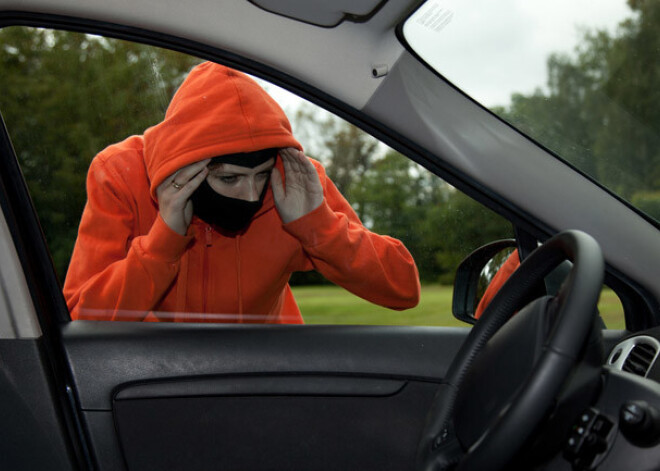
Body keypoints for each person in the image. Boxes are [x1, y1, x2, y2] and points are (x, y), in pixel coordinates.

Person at [63, 62, 420, 323]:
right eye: (230, 179)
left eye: (260, 175)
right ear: (189, 169)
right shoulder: (121, 175)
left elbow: (402, 288)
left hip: (262, 378)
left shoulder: (294, 183)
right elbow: (83, 317)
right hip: (156, 379)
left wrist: (317, 225)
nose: (251, 196)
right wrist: (163, 243)